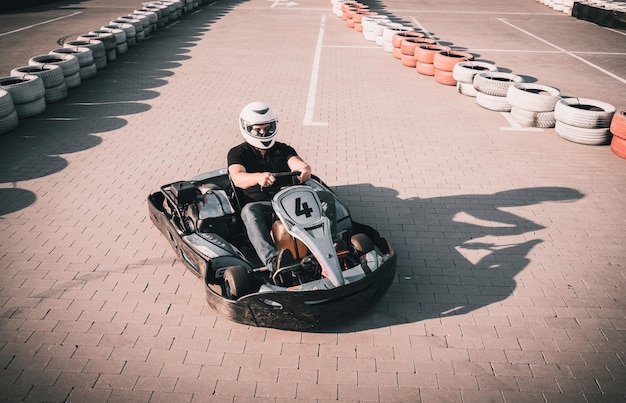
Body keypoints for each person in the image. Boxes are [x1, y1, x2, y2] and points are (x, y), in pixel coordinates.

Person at [227, 101, 336, 272]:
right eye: (258, 129)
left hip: (290, 200)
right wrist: (258, 177)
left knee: (326, 197)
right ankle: (273, 261)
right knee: (249, 211)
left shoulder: (283, 149)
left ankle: (331, 243)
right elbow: (237, 177)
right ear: (247, 128)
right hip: (263, 205)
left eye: (267, 128)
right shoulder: (237, 153)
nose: (263, 132)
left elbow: (298, 163)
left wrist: (304, 169)